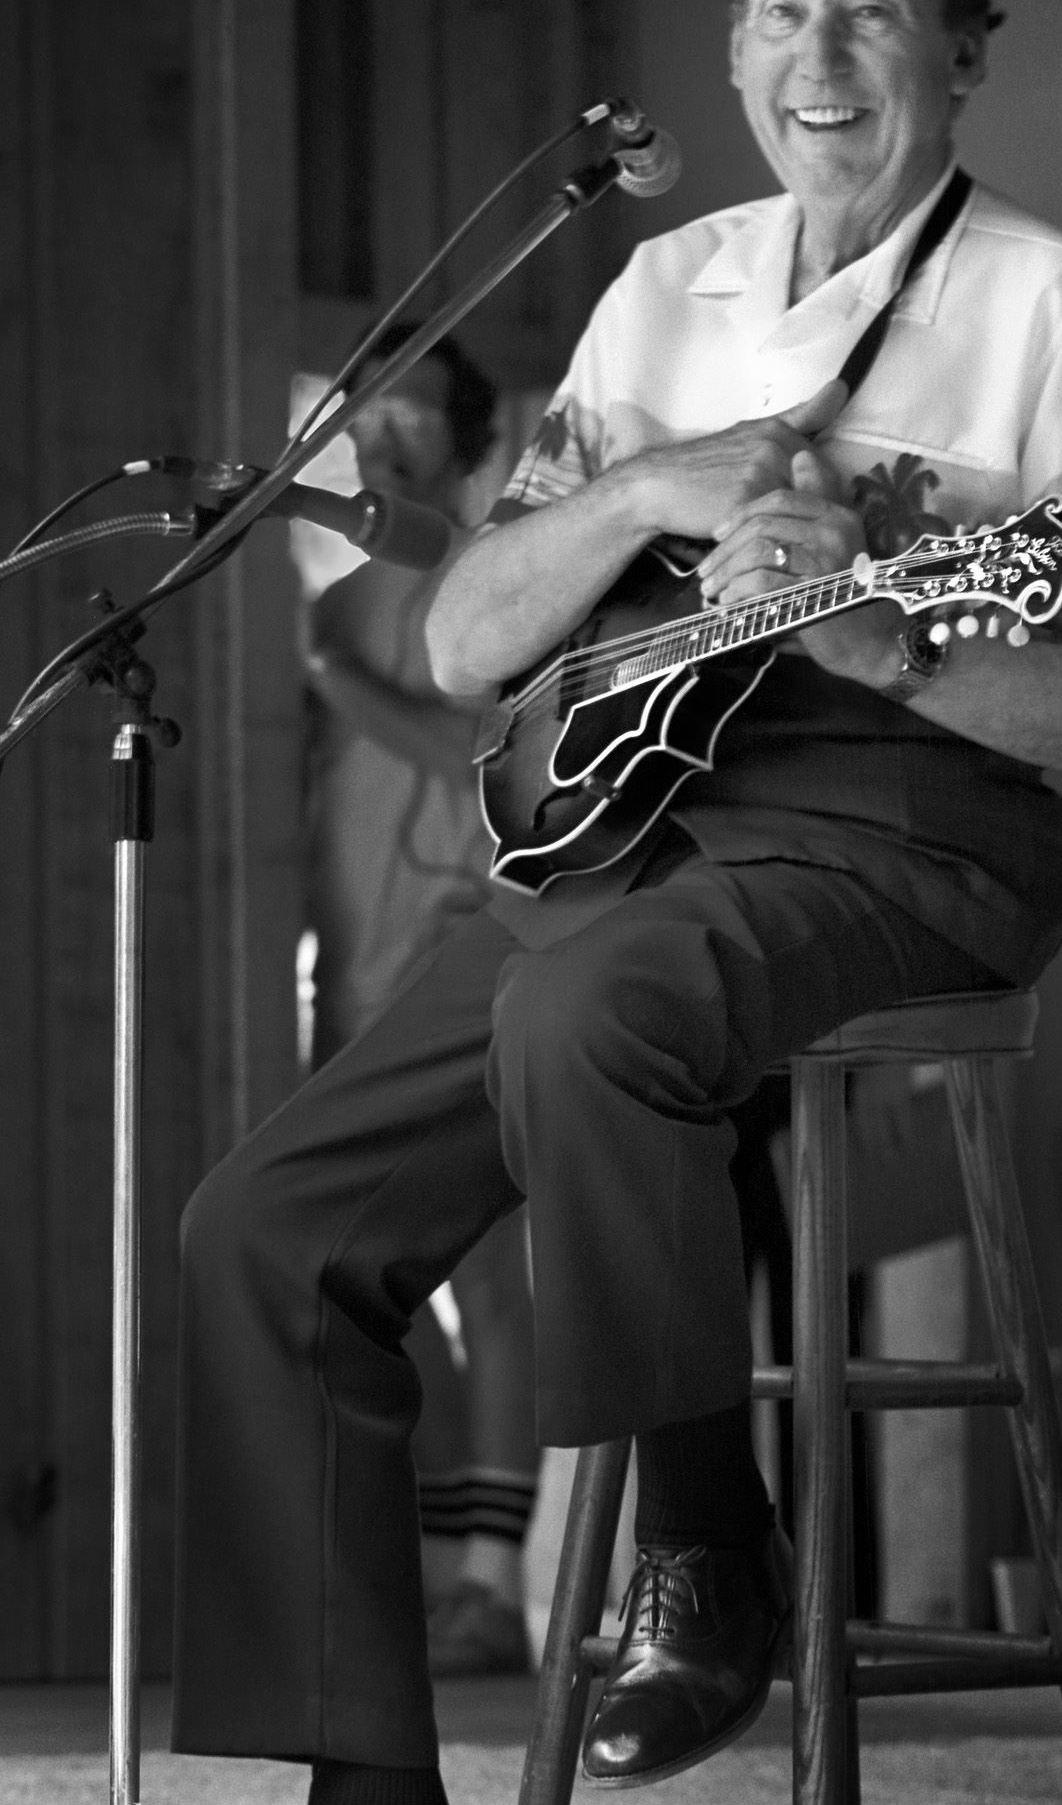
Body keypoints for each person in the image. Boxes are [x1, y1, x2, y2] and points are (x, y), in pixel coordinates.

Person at [172, 0, 1062, 1805]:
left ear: (965, 48)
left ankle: (705, 1550)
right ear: (735, 47)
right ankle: (360, 1775)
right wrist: (648, 487)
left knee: (597, 1023)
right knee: (258, 1225)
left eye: (874, 4)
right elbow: (477, 631)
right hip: (608, 820)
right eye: (777, 7)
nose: (818, 48)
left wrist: (886, 636)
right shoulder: (661, 288)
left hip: (912, 835)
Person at [296, 328, 538, 1677]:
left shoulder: (485, 582)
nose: (380, 440)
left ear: (465, 437)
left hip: (464, 954)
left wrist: (333, 684)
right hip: (347, 974)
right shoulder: (329, 611)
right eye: (361, 415)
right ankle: (446, 1567)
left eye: (408, 414)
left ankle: (495, 1584)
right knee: (354, 1278)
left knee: (490, 1278)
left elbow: (467, 756)